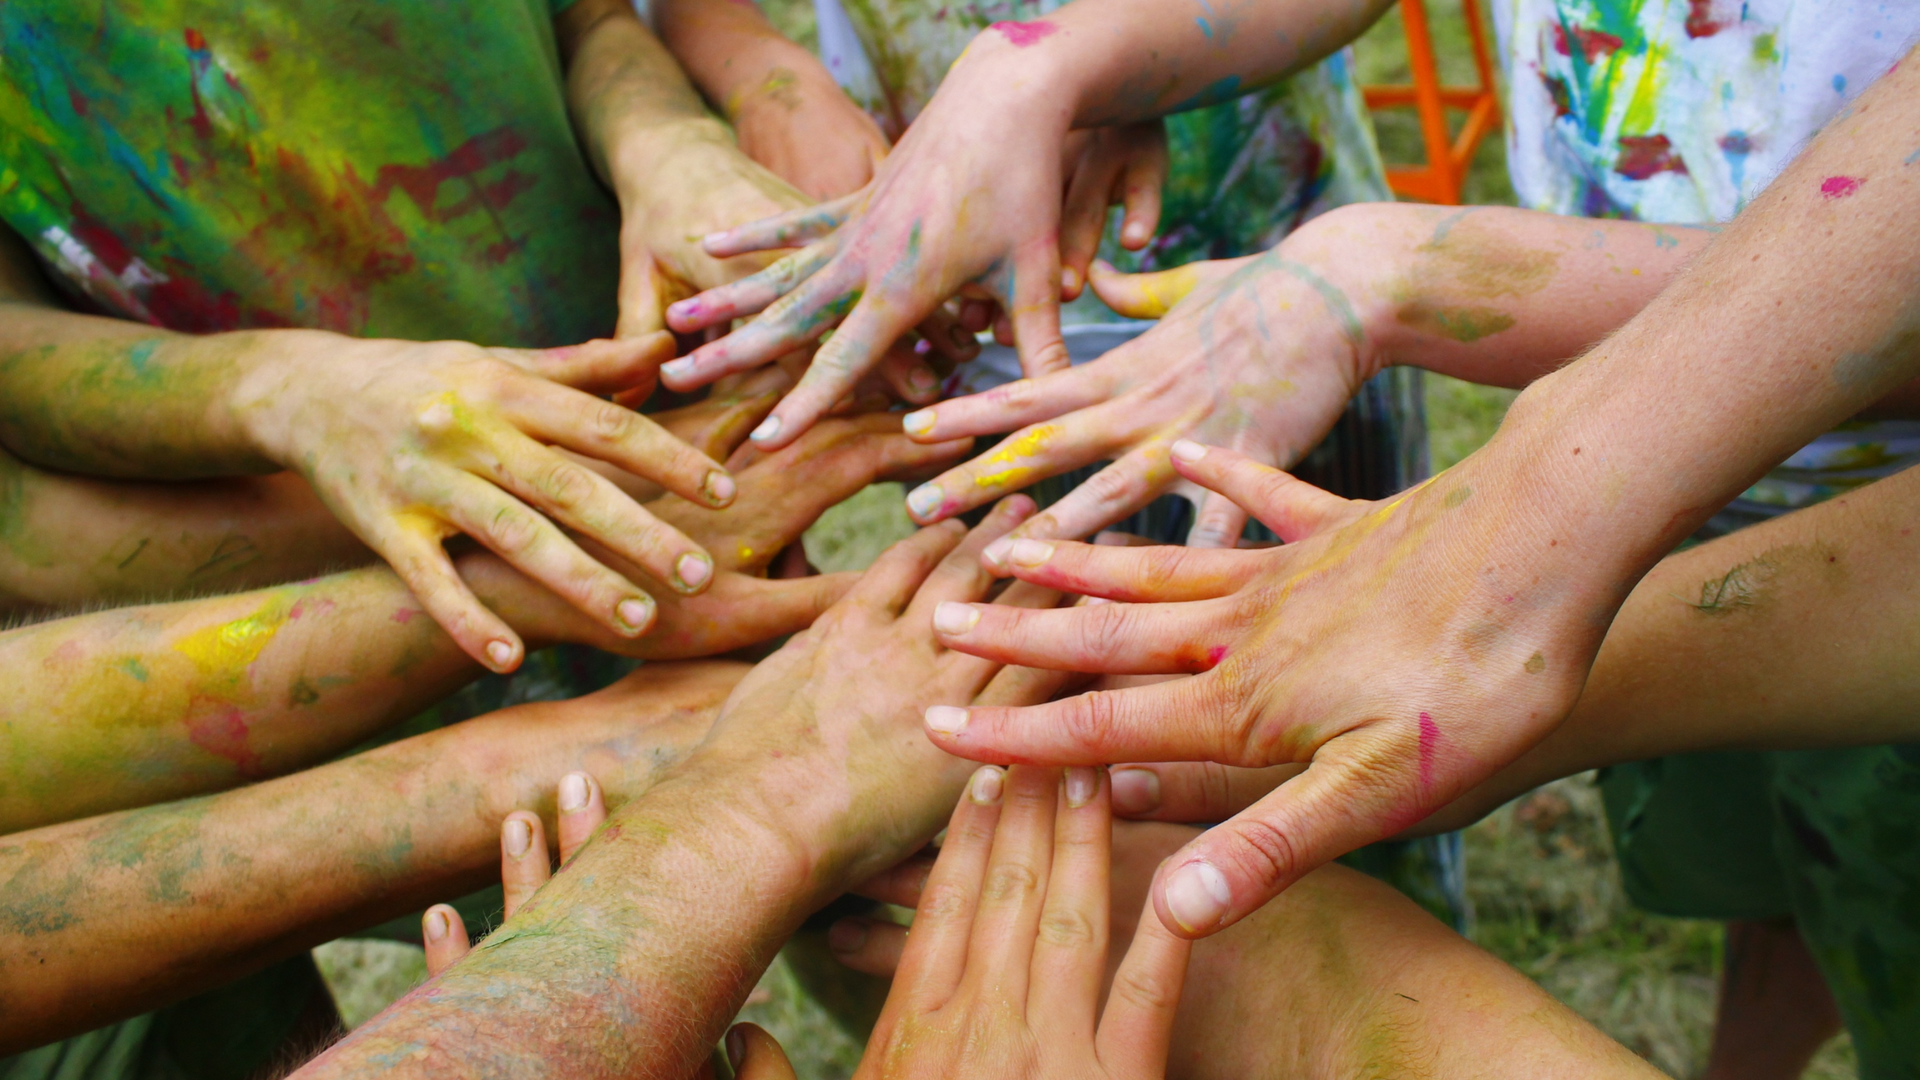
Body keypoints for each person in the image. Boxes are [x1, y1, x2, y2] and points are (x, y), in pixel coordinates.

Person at [911, 40, 1920, 945]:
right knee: (1765, 864)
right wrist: (1054, 60)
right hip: (1709, 547)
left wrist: (1527, 506)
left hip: (1846, 532)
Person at [0, 0, 979, 670]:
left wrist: (668, 146)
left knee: (829, 815)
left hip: (668, 415)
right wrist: (281, 392)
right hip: (320, 565)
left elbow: (585, 17)